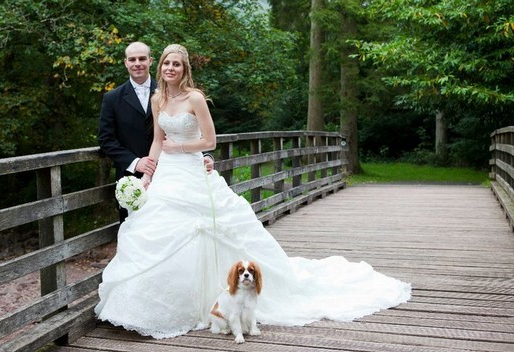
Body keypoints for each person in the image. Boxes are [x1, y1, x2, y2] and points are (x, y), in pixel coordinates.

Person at [94, 44, 411, 339]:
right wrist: (149, 173)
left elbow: (210, 142)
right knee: (157, 232)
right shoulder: (158, 100)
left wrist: (182, 148)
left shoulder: (195, 98)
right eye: (167, 63)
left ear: (184, 68)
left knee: (210, 231)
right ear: (160, 67)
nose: (170, 68)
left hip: (192, 171)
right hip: (168, 177)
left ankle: (221, 301)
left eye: (176, 64)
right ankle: (162, 304)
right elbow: (157, 142)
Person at [98, 41, 213, 222]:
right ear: (125, 63)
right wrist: (137, 165)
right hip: (134, 176)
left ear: (151, 61)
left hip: (180, 170)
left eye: (142, 58)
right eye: (132, 59)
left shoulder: (170, 91)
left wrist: (206, 155)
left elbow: (193, 131)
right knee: (141, 231)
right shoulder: (113, 98)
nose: (137, 63)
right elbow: (106, 140)